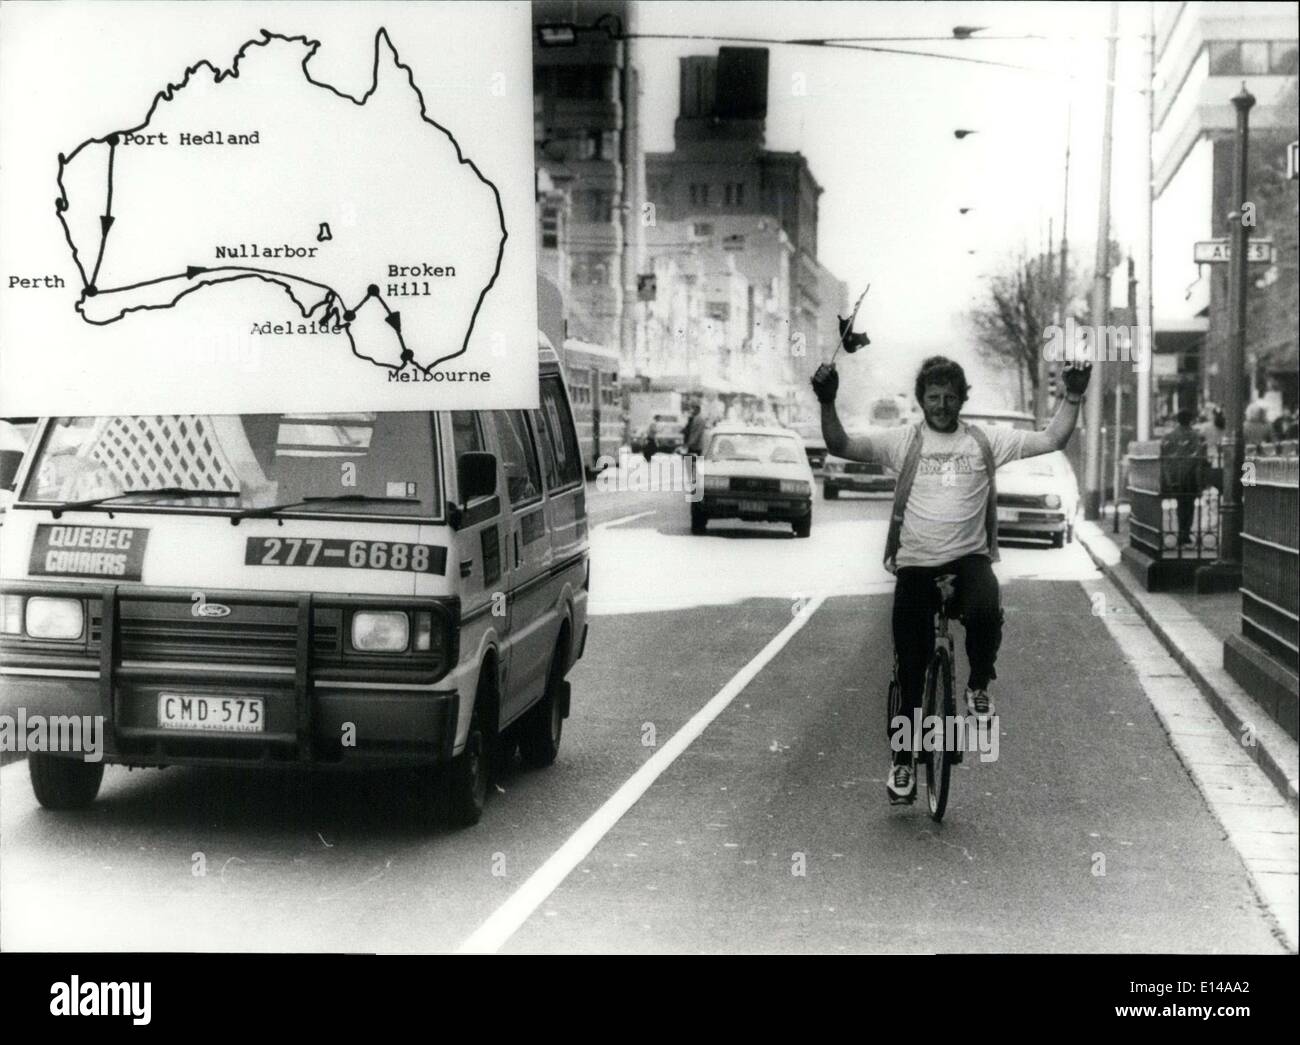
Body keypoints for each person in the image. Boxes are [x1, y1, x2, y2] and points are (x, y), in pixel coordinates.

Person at [811, 353, 1091, 804]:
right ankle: (903, 761)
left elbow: (1052, 438)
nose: (941, 405)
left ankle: (978, 684)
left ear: (964, 399)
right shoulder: (904, 442)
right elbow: (841, 444)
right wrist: (827, 401)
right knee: (911, 661)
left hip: (969, 562)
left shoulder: (984, 440)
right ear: (921, 400)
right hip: (916, 565)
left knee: (986, 609)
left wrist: (1073, 396)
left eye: (950, 398)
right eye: (933, 398)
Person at [1160, 409, 1207, 547]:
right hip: (1192, 474)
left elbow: (1165, 455)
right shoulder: (1196, 436)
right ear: (1191, 420)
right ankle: (1185, 533)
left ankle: (1182, 532)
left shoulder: (1169, 436)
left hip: (1176, 475)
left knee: (1180, 504)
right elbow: (1200, 455)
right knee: (1190, 504)